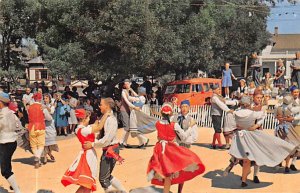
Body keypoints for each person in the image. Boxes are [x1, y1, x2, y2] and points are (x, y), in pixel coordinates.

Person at [228, 95, 296, 187]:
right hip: (251, 135)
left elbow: (231, 119)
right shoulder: (252, 113)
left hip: (239, 136)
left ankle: (237, 165)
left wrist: (237, 126)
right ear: (249, 103)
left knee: (244, 158)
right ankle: (245, 174)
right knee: (255, 155)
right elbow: (263, 114)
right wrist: (256, 126)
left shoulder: (236, 112)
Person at [147, 103, 205, 193]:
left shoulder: (158, 123)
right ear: (171, 113)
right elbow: (184, 137)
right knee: (178, 169)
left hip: (160, 149)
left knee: (165, 172)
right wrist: (190, 126)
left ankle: (166, 187)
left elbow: (159, 137)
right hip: (172, 149)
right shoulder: (174, 124)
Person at [61, 109, 111, 193]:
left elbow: (94, 125)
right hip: (89, 155)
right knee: (87, 184)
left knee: (86, 184)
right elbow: (98, 127)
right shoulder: (84, 130)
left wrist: (99, 118)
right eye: (88, 118)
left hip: (86, 154)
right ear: (84, 118)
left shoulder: (79, 129)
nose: (89, 119)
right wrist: (106, 115)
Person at [84, 98, 127, 193]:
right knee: (107, 176)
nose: (99, 106)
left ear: (107, 106)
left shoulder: (111, 119)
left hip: (110, 150)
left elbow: (106, 140)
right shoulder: (106, 117)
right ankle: (123, 191)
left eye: (101, 104)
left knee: (103, 179)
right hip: (109, 150)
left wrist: (93, 144)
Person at [175, 100, 199, 193]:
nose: (184, 108)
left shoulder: (191, 120)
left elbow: (194, 137)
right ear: (180, 107)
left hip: (185, 147)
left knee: (182, 170)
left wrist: (184, 140)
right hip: (175, 147)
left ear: (189, 108)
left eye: (186, 106)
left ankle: (179, 191)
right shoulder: (175, 118)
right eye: (182, 106)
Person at [0, 92, 22, 193]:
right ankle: (14, 185)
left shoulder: (1, 115)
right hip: (12, 142)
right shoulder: (12, 113)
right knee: (6, 164)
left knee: (5, 170)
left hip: (4, 143)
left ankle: (17, 190)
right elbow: (19, 127)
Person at [275, 94, 300, 173]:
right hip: (288, 128)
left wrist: (279, 118)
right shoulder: (291, 109)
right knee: (290, 146)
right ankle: (287, 166)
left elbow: (275, 116)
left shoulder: (278, 107)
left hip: (280, 127)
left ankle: (280, 162)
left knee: (281, 146)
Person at [210, 85, 233, 149]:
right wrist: (228, 110)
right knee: (218, 130)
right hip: (215, 115)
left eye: (219, 89)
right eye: (217, 89)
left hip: (218, 114)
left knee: (217, 130)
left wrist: (234, 102)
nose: (219, 90)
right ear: (214, 90)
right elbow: (221, 104)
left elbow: (225, 102)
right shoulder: (214, 97)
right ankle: (220, 144)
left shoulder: (218, 96)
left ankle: (213, 143)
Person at [119, 79, 140, 148]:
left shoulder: (128, 92)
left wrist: (132, 90)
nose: (127, 85)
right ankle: (121, 142)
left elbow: (137, 97)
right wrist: (134, 107)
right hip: (124, 110)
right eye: (125, 84)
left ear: (130, 84)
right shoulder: (123, 92)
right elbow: (127, 102)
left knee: (128, 128)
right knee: (126, 127)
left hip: (128, 110)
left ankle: (124, 143)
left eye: (128, 83)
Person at [27, 92, 46, 168]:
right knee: (41, 144)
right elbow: (47, 116)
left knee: (33, 145)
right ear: (40, 99)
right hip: (41, 126)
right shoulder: (42, 107)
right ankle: (37, 157)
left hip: (32, 127)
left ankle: (37, 159)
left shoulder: (29, 107)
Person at [41, 94, 59, 164]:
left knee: (51, 141)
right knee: (44, 142)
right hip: (43, 124)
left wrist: (45, 107)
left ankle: (50, 153)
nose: (45, 100)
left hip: (50, 125)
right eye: (44, 98)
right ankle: (45, 156)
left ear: (49, 99)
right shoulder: (42, 105)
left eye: (46, 98)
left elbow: (51, 111)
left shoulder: (52, 105)